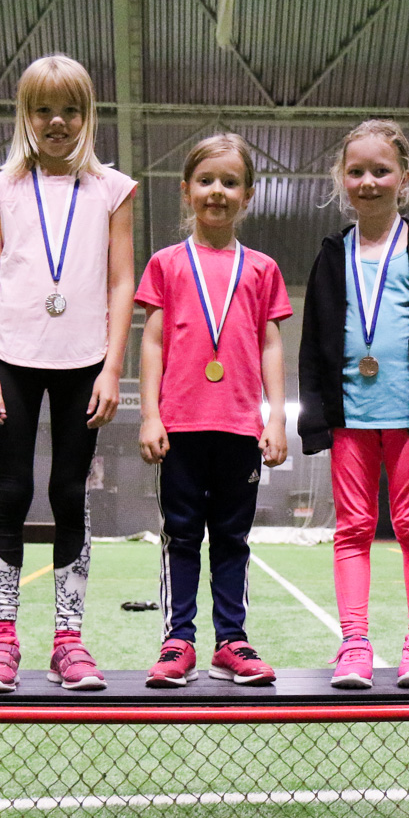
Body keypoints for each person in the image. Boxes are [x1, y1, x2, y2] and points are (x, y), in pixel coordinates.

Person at [0, 54, 136, 692]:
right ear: (26, 115)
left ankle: (69, 641)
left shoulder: (112, 189)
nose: (57, 122)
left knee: (69, 493)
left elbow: (121, 282)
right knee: (12, 492)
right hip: (11, 357)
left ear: (88, 116)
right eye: (43, 110)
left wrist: (112, 367)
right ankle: (1, 641)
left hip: (84, 363)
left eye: (70, 110)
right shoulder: (1, 189)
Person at [298, 119, 409, 689]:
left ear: (404, 178)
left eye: (381, 170)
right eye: (356, 171)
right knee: (352, 528)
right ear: (341, 180)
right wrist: (315, 419)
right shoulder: (333, 254)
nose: (368, 181)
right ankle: (354, 644)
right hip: (350, 419)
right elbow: (314, 340)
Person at [136, 133, 292, 688]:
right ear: (186, 191)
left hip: (239, 427)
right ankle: (178, 640)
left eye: (230, 182)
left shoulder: (262, 268)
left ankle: (231, 642)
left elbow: (270, 344)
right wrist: (150, 414)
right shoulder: (166, 263)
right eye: (206, 181)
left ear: (248, 194)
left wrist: (276, 416)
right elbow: (152, 341)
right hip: (179, 425)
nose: (217, 192)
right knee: (180, 536)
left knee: (232, 538)